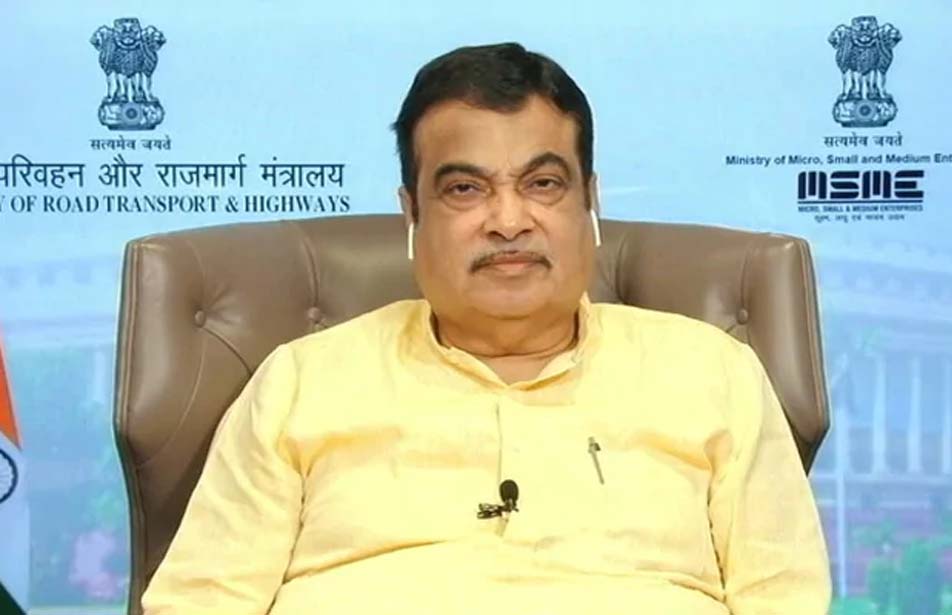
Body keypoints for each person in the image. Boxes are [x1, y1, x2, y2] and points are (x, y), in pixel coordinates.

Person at [142, 42, 831, 615]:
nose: (508, 220)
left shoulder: (712, 372)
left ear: (591, 201)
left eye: (543, 183)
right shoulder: (301, 381)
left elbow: (783, 597)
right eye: (465, 189)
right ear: (411, 214)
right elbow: (199, 602)